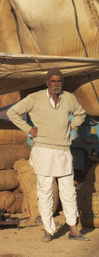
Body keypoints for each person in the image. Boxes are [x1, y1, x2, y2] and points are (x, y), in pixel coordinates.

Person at [7, 69, 89, 242]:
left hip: (63, 150)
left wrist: (71, 126)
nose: (56, 84)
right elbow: (12, 113)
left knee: (68, 191)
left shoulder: (69, 98)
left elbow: (81, 114)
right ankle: (48, 230)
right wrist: (29, 129)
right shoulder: (34, 98)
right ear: (47, 83)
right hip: (43, 150)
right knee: (45, 191)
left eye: (59, 81)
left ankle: (73, 230)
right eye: (53, 81)